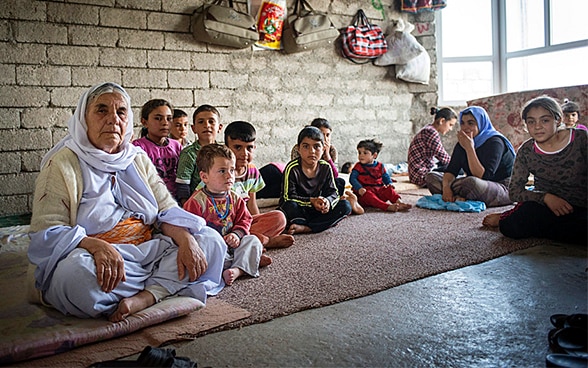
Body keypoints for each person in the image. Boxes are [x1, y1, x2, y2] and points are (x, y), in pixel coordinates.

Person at [27, 82, 226, 322]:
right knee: (75, 278)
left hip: (149, 247)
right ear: (83, 119)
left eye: (121, 112)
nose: (113, 119)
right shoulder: (62, 163)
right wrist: (96, 246)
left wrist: (184, 239)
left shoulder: (136, 158)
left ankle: (148, 296)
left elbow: (165, 209)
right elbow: (47, 231)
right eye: (101, 110)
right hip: (95, 257)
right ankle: (164, 285)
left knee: (210, 242)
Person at [483, 96, 587, 245]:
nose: (537, 126)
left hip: (582, 206)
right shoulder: (526, 151)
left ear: (557, 120)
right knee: (510, 227)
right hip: (546, 207)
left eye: (544, 120)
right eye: (531, 121)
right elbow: (514, 191)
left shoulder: (580, 139)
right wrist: (546, 198)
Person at [183, 144, 267, 286]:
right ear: (204, 177)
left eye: (232, 170)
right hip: (212, 254)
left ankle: (237, 270)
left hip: (232, 249)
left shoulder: (235, 198)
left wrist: (237, 234)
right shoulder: (196, 202)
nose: (229, 176)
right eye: (222, 171)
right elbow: (189, 231)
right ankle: (247, 263)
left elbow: (245, 220)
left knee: (252, 240)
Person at [425, 105, 516, 207]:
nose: (465, 127)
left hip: (500, 187)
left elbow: (484, 177)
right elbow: (451, 171)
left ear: (481, 123)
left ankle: (461, 196)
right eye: (462, 123)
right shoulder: (462, 143)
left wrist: (469, 148)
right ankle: (461, 196)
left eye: (471, 123)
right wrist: (446, 189)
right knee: (431, 177)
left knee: (471, 183)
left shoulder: (495, 142)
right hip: (472, 184)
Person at [223, 121, 295, 248]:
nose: (244, 153)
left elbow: (252, 204)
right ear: (226, 148)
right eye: (238, 147)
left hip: (243, 223)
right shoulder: (221, 171)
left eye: (249, 147)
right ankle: (265, 242)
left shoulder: (252, 171)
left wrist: (253, 220)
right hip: (224, 224)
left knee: (279, 218)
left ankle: (251, 243)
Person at [279, 126, 352, 234]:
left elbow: (334, 193)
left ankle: (306, 227)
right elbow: (287, 197)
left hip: (318, 209)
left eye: (317, 146)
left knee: (345, 206)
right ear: (298, 149)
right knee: (288, 207)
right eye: (306, 146)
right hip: (300, 208)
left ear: (323, 149)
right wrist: (311, 201)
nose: (312, 151)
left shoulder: (326, 167)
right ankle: (318, 224)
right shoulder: (292, 168)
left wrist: (327, 202)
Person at [290, 118, 363, 214]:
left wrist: (327, 155)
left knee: (339, 183)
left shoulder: (331, 150)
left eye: (328, 135)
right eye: (322, 134)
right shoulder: (299, 148)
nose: (325, 138)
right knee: (290, 204)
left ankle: (329, 204)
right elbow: (298, 171)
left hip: (322, 187)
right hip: (304, 187)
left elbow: (335, 175)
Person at [132, 99, 182, 199]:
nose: (165, 123)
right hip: (151, 199)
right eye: (158, 118)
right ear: (144, 122)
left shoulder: (176, 146)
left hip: (176, 199)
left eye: (169, 119)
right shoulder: (138, 147)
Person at [176, 104, 223, 205]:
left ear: (219, 127)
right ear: (194, 128)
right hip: (198, 204)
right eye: (201, 122)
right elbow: (183, 186)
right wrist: (188, 209)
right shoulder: (189, 154)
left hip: (222, 201)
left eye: (211, 121)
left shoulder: (224, 152)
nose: (206, 125)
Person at [350, 139, 412, 212]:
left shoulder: (380, 166)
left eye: (365, 153)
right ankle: (386, 207)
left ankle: (399, 203)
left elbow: (385, 176)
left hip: (378, 191)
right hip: (364, 194)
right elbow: (352, 179)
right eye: (359, 153)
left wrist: (389, 183)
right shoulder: (358, 166)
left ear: (374, 155)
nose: (361, 155)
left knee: (389, 190)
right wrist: (359, 188)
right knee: (368, 195)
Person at [408, 107, 457, 187]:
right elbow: (443, 156)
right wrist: (457, 165)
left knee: (451, 167)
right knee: (456, 171)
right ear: (442, 121)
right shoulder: (430, 132)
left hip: (420, 172)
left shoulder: (429, 129)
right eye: (450, 125)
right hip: (420, 175)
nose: (450, 129)